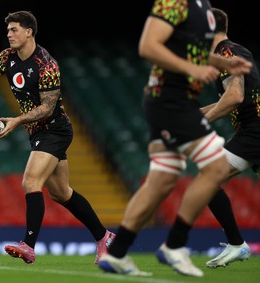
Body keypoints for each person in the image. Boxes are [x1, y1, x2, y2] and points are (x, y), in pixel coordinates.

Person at [97, 0, 252, 278]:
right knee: (214, 169)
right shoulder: (176, 3)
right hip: (171, 100)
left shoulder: (202, 9)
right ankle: (175, 245)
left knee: (160, 181)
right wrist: (192, 70)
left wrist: (223, 62)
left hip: (171, 101)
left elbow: (191, 51)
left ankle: (117, 253)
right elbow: (148, 46)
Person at [0, 10, 115, 265]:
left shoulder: (46, 64)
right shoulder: (8, 57)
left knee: (30, 182)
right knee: (61, 194)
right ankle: (104, 237)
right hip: (37, 132)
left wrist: (16, 120)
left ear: (29, 32)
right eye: (7, 31)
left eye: (14, 30)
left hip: (55, 129)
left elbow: (48, 107)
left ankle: (28, 245)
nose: (9, 35)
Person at [200, 7, 258, 268]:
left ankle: (237, 244)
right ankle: (237, 245)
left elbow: (234, 97)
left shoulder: (226, 52)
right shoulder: (230, 51)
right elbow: (231, 98)